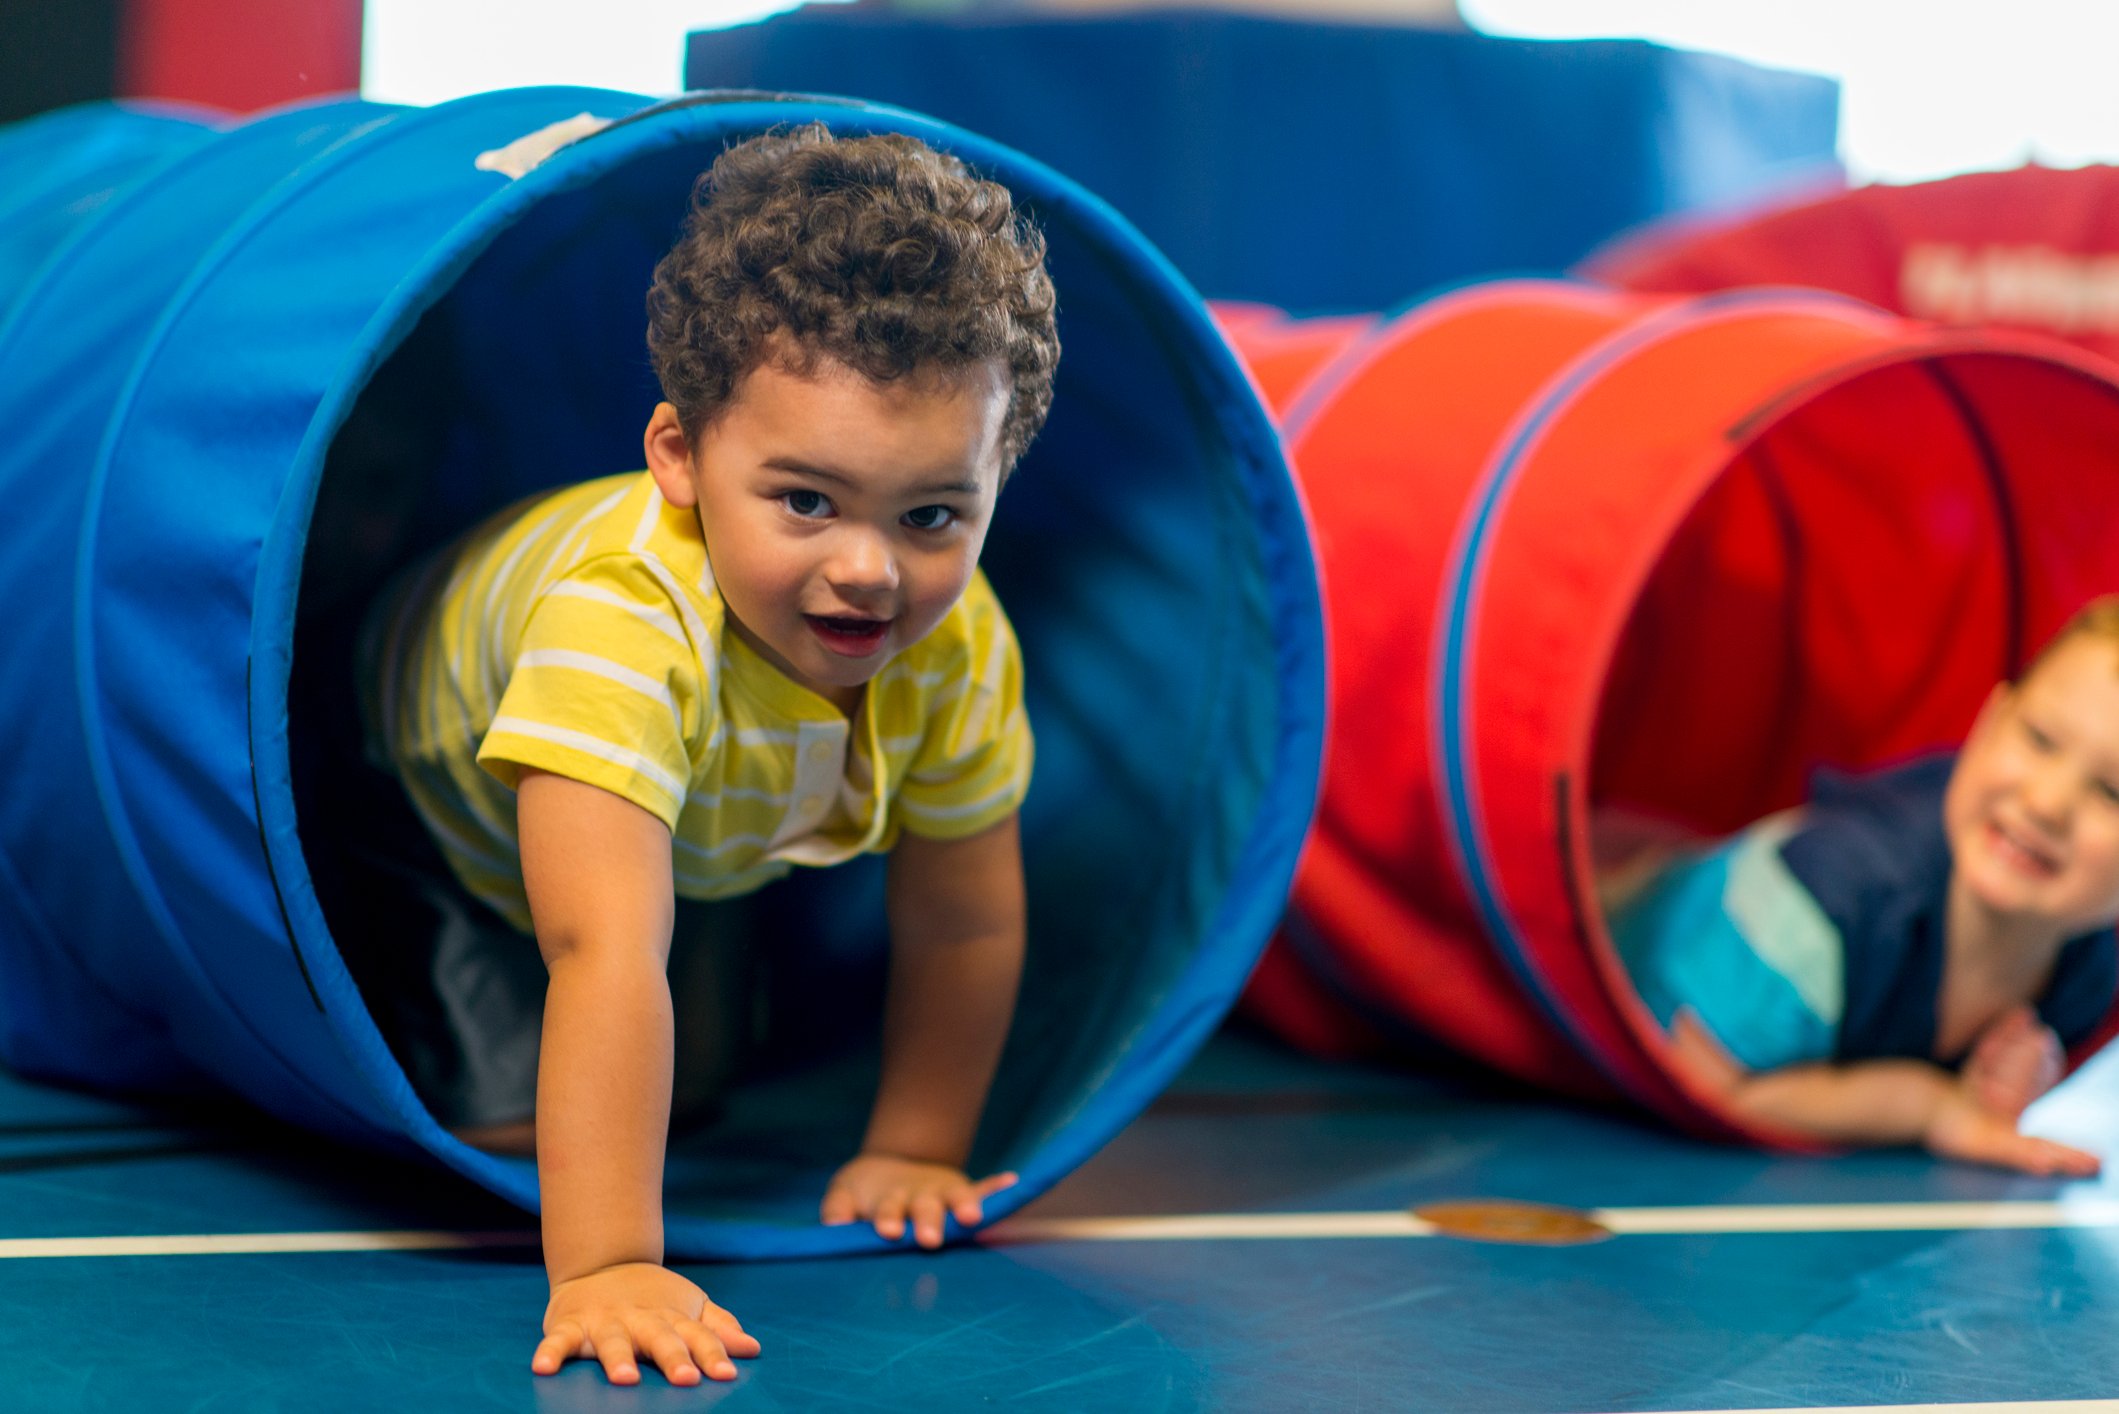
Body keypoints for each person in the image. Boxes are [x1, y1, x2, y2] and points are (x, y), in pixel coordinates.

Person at [351, 123, 1059, 1387]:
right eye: (805, 500)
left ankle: (716, 930)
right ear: (679, 456)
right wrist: (610, 1262)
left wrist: (914, 1144)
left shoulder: (958, 644)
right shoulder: (621, 624)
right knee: (516, 1119)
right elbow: (600, 951)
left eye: (931, 514)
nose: (868, 568)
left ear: (995, 484)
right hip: (418, 799)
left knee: (696, 1072)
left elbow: (963, 917)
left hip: (701, 822)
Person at [1600, 598, 2119, 1177]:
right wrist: (1929, 1107)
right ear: (1989, 723)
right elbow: (1714, 1084)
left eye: (2111, 793)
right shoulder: (1820, 916)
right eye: (2040, 739)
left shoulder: (2088, 972)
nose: (2046, 803)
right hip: (1624, 924)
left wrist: (1995, 1088)